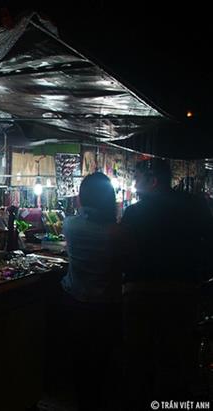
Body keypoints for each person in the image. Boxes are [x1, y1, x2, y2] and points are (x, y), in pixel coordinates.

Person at [121, 158, 213, 410]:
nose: (134, 183)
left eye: (137, 179)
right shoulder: (196, 206)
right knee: (175, 358)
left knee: (139, 358)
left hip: (141, 294)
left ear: (152, 181)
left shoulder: (134, 213)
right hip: (182, 293)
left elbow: (125, 253)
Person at [59, 172, 122, 411]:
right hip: (107, 304)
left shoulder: (70, 225)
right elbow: (129, 261)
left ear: (82, 197)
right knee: (103, 358)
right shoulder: (118, 232)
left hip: (75, 301)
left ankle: (82, 400)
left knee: (79, 357)